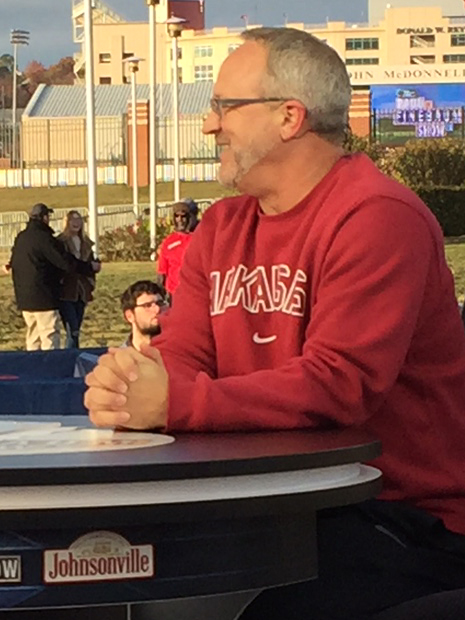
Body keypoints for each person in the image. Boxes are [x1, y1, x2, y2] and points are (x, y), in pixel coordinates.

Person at [84, 27, 465, 620]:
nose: (209, 125)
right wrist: (131, 384)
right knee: (107, 581)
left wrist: (175, 403)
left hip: (397, 517)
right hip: (268, 504)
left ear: (290, 117)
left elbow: (339, 382)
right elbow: (181, 356)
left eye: (224, 106)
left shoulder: (378, 216)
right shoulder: (222, 227)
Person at [6, 203, 99, 351]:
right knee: (49, 335)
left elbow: (15, 259)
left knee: (33, 336)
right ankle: (51, 363)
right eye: (48, 216)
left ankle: (33, 363)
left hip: (24, 297)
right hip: (44, 296)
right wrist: (88, 268)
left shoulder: (21, 238)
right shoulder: (44, 238)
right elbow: (64, 262)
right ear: (44, 218)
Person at [57, 210, 97, 348]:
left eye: (79, 219)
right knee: (72, 330)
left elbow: (91, 263)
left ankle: (74, 352)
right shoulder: (61, 242)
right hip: (66, 291)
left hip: (82, 291)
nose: (76, 223)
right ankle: (70, 355)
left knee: (77, 330)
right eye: (72, 220)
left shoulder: (86, 243)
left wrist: (92, 279)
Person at [155, 199, 198, 303]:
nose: (180, 220)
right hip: (174, 294)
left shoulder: (201, 238)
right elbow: (162, 271)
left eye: (183, 216)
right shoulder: (168, 242)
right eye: (176, 216)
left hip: (196, 292)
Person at [119, 280, 167, 350]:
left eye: (160, 303)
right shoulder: (121, 356)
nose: (157, 309)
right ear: (129, 316)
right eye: (147, 305)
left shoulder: (180, 353)